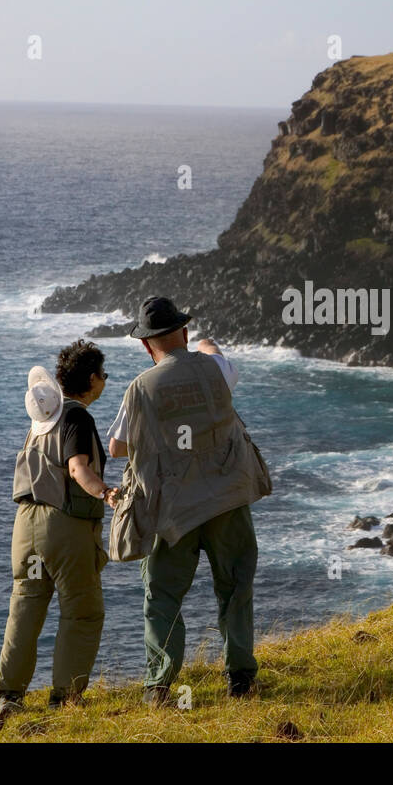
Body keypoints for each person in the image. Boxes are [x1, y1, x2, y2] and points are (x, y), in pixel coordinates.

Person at [106, 296, 268, 707]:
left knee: (162, 596)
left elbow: (117, 447)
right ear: (185, 332)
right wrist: (206, 345)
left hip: (172, 508)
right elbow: (217, 355)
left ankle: (159, 688)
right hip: (226, 496)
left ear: (146, 346)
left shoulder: (141, 388)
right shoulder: (213, 368)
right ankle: (241, 680)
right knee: (234, 587)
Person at [0, 340, 122, 716]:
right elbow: (78, 468)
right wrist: (107, 493)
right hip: (64, 525)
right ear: (94, 379)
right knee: (82, 612)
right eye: (105, 376)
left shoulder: (40, 419)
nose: (105, 382)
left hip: (25, 527)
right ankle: (64, 698)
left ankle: (9, 696)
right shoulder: (78, 417)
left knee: (26, 608)